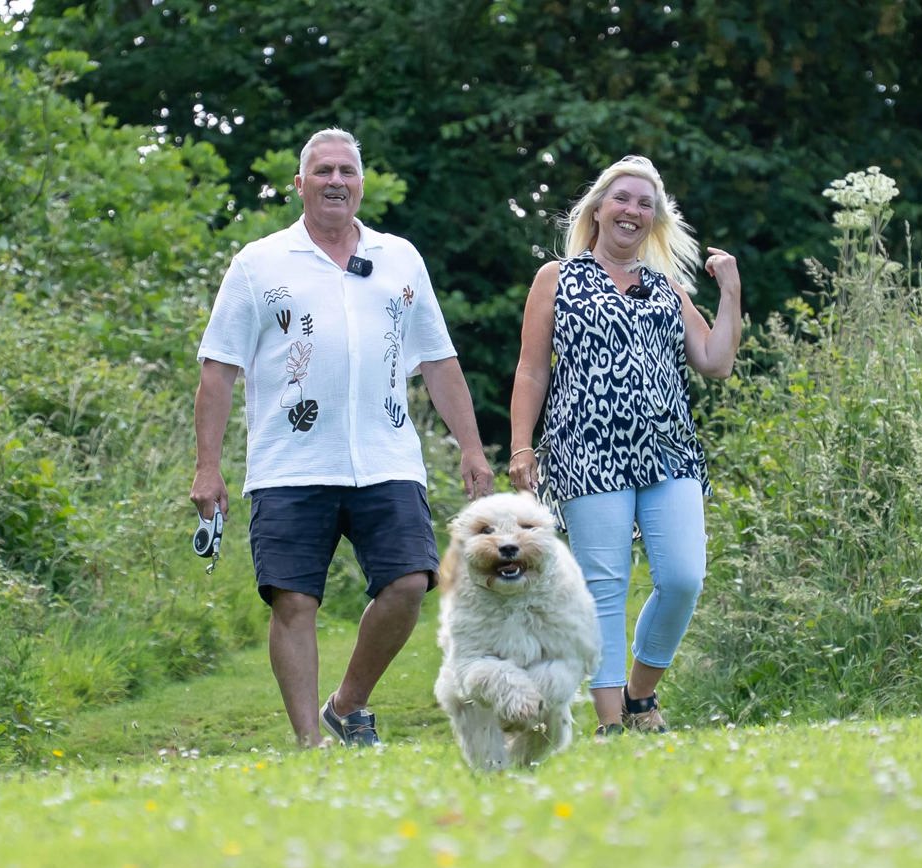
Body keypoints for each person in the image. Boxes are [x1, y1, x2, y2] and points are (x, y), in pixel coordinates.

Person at [191, 127, 494, 749]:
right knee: (293, 601)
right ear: (300, 185)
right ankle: (310, 742)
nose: (336, 181)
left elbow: (438, 360)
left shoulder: (400, 258)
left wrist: (470, 446)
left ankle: (347, 703)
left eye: (347, 171)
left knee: (410, 583)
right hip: (289, 464)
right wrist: (207, 467)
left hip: (386, 457)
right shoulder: (258, 263)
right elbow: (218, 368)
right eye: (323, 171)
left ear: (360, 183)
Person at [508, 154, 742, 735]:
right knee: (605, 584)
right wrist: (521, 447)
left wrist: (731, 291)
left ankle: (641, 694)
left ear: (655, 220)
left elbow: (715, 361)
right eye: (622, 199)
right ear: (597, 209)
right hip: (586, 448)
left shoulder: (666, 287)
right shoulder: (557, 278)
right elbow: (533, 370)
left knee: (684, 576)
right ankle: (613, 724)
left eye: (645, 204)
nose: (632, 210)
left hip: (670, 452)